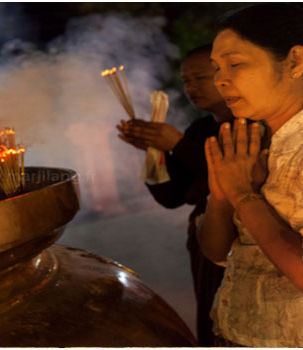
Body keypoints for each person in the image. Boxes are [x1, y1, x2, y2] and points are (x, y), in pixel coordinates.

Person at [198, 3, 303, 347]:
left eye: (236, 64)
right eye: (217, 67)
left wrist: (244, 196)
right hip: (236, 334)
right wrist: (221, 194)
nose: (221, 78)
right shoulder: (249, 140)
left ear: (295, 61)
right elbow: (217, 252)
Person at [116, 44, 233, 346]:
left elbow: (233, 179)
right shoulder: (199, 129)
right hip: (204, 241)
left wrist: (177, 144)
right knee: (211, 314)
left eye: (199, 78)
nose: (191, 88)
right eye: (185, 81)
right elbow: (172, 197)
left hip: (239, 241)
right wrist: (153, 152)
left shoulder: (252, 126)